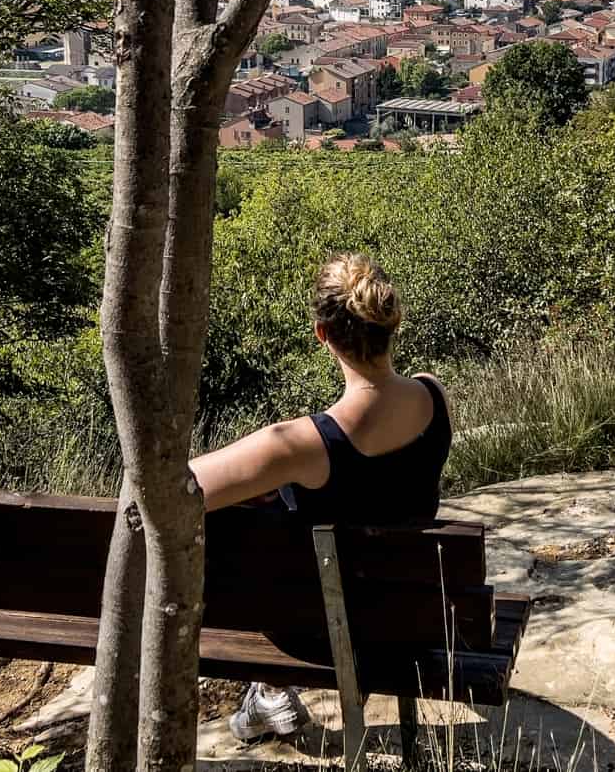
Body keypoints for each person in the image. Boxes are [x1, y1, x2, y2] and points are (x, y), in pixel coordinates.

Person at [190, 253, 451, 742]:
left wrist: (272, 478)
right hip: (408, 623)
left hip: (316, 635)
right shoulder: (434, 397)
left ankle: (267, 694)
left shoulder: (299, 445)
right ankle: (267, 697)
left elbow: (172, 488)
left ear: (322, 335)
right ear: (393, 323)